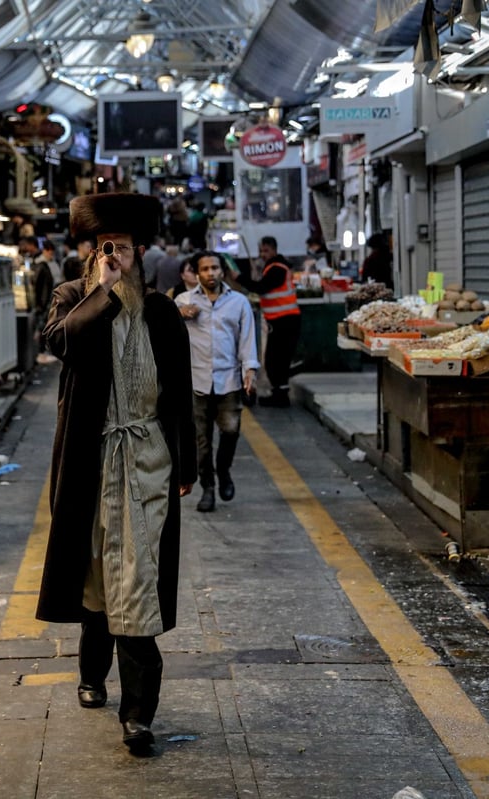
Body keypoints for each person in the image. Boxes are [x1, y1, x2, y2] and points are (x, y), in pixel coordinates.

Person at [36, 192, 196, 755]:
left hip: (148, 458)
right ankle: (89, 672)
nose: (118, 258)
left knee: (137, 578)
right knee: (96, 575)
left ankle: (138, 715)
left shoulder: (160, 311)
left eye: (126, 250)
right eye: (109, 249)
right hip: (88, 459)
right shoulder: (73, 298)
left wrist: (188, 461)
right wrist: (102, 289)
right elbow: (59, 342)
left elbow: (180, 393)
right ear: (92, 253)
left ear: (141, 252)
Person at [175, 252, 259, 513]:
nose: (211, 273)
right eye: (205, 269)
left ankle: (224, 470)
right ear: (197, 273)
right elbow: (166, 334)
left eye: (215, 268)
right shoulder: (183, 301)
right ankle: (208, 488)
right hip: (196, 379)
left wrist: (250, 370)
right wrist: (179, 315)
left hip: (229, 380)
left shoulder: (239, 303)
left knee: (231, 431)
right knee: (201, 440)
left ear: (223, 271)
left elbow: (246, 339)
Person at [230, 236, 301, 407]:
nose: (263, 254)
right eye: (261, 251)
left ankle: (281, 396)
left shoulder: (277, 268)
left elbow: (261, 287)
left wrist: (238, 278)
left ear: (274, 250)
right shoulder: (274, 267)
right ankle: (279, 393)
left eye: (266, 251)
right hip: (280, 321)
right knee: (275, 359)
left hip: (285, 321)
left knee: (277, 360)